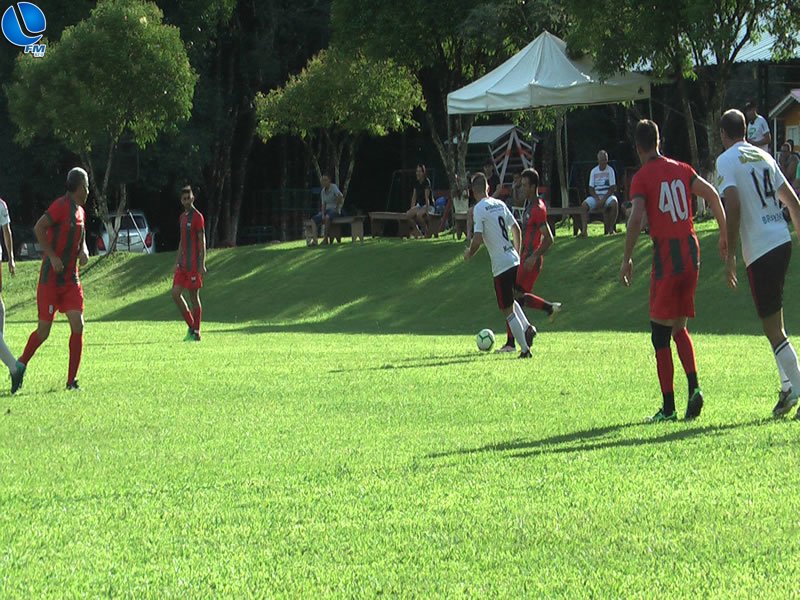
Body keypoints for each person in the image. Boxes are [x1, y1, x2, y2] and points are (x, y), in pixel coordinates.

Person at [619, 120, 728, 422]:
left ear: (637, 146)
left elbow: (637, 216)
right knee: (679, 327)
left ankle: (668, 408)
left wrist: (627, 257)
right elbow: (714, 196)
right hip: (691, 253)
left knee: (659, 334)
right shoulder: (682, 168)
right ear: (659, 140)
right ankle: (694, 388)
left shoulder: (641, 177)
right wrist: (723, 235)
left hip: (667, 256)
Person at [716, 109, 800, 419]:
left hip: (761, 248)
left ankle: (797, 386)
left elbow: (733, 203)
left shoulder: (726, 160)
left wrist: (732, 253)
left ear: (724, 134)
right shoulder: (763, 156)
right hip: (781, 239)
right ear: (746, 131)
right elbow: (793, 202)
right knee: (775, 324)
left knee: (772, 328)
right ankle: (788, 388)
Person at [17, 167, 91, 391]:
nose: (88, 191)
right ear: (79, 187)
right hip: (50, 280)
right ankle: (20, 365)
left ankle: (71, 381)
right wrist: (52, 255)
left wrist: (84, 250)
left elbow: (82, 237)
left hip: (70, 280)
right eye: (87, 186)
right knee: (43, 331)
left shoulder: (81, 211)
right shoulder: (60, 206)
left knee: (78, 324)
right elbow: (39, 227)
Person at [464, 172, 535, 359]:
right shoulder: (500, 204)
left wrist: (469, 253)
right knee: (511, 300)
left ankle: (525, 349)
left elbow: (478, 238)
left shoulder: (479, 209)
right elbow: (516, 228)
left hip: (501, 265)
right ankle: (528, 327)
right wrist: (517, 254)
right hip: (513, 258)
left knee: (506, 308)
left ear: (473, 192)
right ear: (488, 188)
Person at [496, 168, 562, 352]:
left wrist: (533, 256)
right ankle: (540, 316)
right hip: (524, 259)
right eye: (521, 185)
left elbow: (548, 238)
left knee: (511, 297)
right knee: (517, 297)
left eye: (525, 185)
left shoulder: (538, 208)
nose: (522, 188)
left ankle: (512, 342)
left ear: (534, 186)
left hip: (530, 261)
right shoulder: (529, 205)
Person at [172, 185, 206, 342]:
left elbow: (202, 242)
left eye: (189, 198)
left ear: (193, 198)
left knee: (194, 296)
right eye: (184, 198)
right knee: (175, 293)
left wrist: (202, 264)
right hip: (183, 265)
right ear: (181, 200)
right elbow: (181, 241)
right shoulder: (182, 217)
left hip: (193, 265)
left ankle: (196, 330)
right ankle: (192, 326)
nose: (187, 201)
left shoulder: (198, 217)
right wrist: (177, 261)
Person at [0, 197, 22, 393]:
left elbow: (6, 231)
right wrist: (11, 259)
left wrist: (12, 258)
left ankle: (15, 368)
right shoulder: (1, 204)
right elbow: (6, 231)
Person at [580, 150, 619, 236]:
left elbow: (612, 188)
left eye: (605, 160)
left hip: (607, 196)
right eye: (602, 160)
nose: (604, 162)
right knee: (584, 205)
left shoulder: (610, 170)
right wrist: (597, 199)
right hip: (596, 196)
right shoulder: (594, 171)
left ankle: (611, 229)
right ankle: (584, 231)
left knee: (614, 203)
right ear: (598, 161)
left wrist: (604, 199)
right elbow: (591, 188)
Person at [311, 174, 344, 245]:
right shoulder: (322, 191)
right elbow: (323, 205)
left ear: (329, 180)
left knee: (327, 217)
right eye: (322, 180)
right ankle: (314, 241)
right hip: (326, 210)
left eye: (325, 180)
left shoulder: (333, 187)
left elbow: (340, 196)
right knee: (313, 220)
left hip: (334, 210)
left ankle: (325, 239)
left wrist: (337, 207)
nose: (324, 182)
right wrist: (322, 214)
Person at [405, 164, 432, 238]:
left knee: (419, 215)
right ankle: (418, 233)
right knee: (407, 215)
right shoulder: (416, 183)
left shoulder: (427, 182)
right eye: (417, 171)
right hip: (420, 205)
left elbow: (427, 198)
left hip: (428, 205)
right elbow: (414, 197)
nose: (418, 173)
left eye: (420, 171)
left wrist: (426, 211)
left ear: (423, 173)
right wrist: (412, 209)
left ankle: (427, 232)